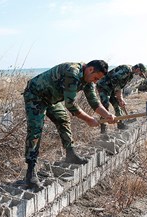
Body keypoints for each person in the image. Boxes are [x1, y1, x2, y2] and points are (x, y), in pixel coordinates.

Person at [23, 60, 116, 189]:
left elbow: (94, 101)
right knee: (35, 130)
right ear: (90, 70)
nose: (95, 82)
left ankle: (70, 154)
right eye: (95, 78)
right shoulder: (72, 72)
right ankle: (30, 172)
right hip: (36, 95)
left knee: (63, 119)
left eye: (98, 80)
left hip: (51, 99)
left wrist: (107, 115)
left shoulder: (88, 79)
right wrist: (89, 119)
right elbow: (71, 105)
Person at [96, 63, 146, 133]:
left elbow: (120, 85)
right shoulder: (126, 69)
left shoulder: (130, 75)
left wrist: (120, 98)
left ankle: (120, 124)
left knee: (118, 106)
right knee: (105, 106)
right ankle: (103, 128)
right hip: (104, 86)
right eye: (140, 73)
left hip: (112, 89)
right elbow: (114, 79)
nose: (139, 75)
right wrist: (119, 96)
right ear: (138, 69)